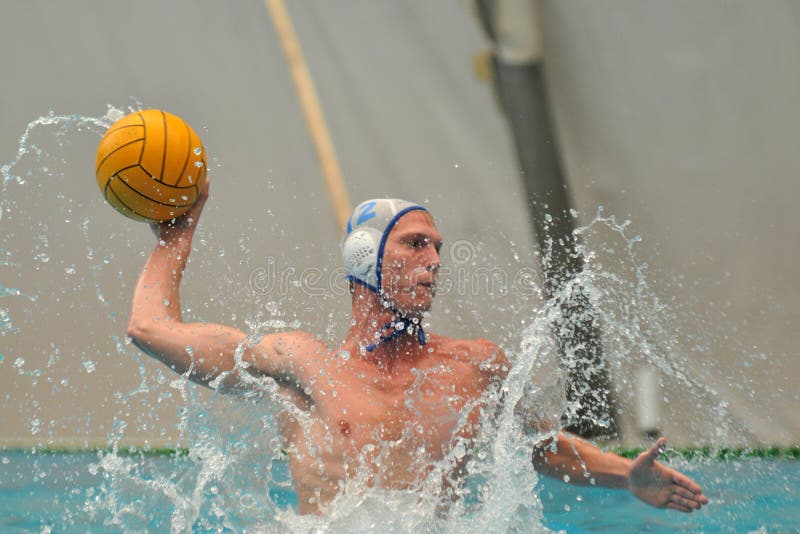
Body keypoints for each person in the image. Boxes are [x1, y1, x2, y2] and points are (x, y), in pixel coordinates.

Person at [126, 182, 709, 515]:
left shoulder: (474, 365)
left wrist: (624, 477)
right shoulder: (300, 365)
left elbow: (539, 448)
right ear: (363, 257)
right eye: (414, 244)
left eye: (437, 248)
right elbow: (149, 329)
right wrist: (177, 236)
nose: (433, 262)